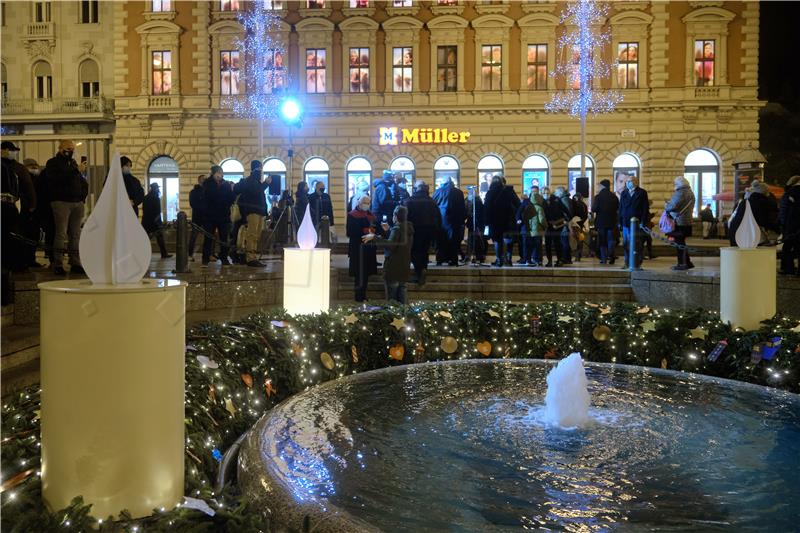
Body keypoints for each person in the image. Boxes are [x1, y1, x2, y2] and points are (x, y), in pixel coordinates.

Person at [45, 140, 87, 275]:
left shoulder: (73, 163)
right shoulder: (53, 163)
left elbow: (80, 181)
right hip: (61, 201)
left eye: (72, 148)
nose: (71, 151)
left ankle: (75, 262)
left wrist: (82, 197)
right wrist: (76, 170)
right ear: (60, 148)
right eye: (68, 148)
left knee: (75, 234)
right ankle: (57, 263)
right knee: (61, 233)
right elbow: (57, 179)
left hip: (76, 202)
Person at [363, 205, 414, 304]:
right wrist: (389, 230)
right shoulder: (408, 228)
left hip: (393, 267)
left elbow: (391, 245)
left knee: (392, 299)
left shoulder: (398, 228)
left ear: (395, 216)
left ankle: (393, 317)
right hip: (404, 267)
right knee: (402, 296)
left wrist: (374, 237)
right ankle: (404, 316)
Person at [2, 142, 36, 270]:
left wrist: (32, 204)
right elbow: (28, 187)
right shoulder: (17, 168)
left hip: (15, 206)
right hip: (13, 205)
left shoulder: (17, 168)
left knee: (15, 235)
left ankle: (15, 262)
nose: (13, 153)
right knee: (14, 234)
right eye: (11, 150)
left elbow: (28, 187)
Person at [234, 160, 270, 267]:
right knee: (252, 234)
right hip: (252, 211)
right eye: (259, 169)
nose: (261, 171)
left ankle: (252, 255)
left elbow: (258, 192)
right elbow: (255, 192)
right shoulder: (250, 180)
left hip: (258, 211)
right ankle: (250, 258)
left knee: (256, 235)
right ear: (255, 169)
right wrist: (265, 184)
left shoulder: (255, 181)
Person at [405, 180, 441, 284]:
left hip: (414, 230)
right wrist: (436, 232)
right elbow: (437, 217)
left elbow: (405, 216)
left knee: (415, 251)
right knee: (424, 251)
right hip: (429, 230)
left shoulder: (409, 200)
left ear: (416, 189)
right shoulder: (431, 201)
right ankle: (423, 268)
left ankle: (418, 272)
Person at [202, 165, 236, 266]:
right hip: (210, 216)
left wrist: (232, 191)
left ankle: (224, 257)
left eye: (221, 173)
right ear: (213, 174)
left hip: (223, 216)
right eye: (218, 173)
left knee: (224, 238)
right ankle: (205, 258)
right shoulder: (207, 183)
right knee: (208, 238)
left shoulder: (225, 184)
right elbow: (208, 197)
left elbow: (231, 198)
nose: (220, 175)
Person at [346, 194, 378, 301]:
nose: (366, 205)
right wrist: (364, 231)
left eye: (368, 203)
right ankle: (358, 296)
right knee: (359, 274)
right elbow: (350, 231)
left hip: (369, 249)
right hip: (357, 248)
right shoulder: (352, 215)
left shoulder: (371, 215)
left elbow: (375, 228)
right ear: (359, 203)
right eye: (364, 203)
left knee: (366, 274)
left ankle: (363, 295)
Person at [485, 175, 519, 266]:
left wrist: (487, 222)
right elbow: (518, 204)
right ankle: (508, 259)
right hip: (509, 220)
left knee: (497, 240)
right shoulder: (509, 191)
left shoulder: (490, 192)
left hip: (495, 221)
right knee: (509, 240)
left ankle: (499, 260)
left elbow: (487, 208)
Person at [432, 177, 466, 266]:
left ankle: (440, 259)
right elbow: (463, 208)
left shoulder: (438, 191)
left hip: (441, 220)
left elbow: (433, 205)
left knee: (440, 240)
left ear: (444, 183)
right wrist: (462, 220)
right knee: (454, 241)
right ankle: (453, 260)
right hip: (455, 220)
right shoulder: (459, 192)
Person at [664, 176, 696, 270]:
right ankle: (688, 262)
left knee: (679, 244)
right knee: (682, 243)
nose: (674, 185)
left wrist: (666, 205)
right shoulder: (690, 192)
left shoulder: (680, 192)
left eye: (675, 183)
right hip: (687, 221)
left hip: (679, 222)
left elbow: (672, 206)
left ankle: (682, 264)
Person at [618, 176, 649, 269]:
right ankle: (627, 262)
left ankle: (637, 263)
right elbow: (621, 208)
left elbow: (645, 208)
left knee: (637, 244)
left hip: (637, 223)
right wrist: (620, 221)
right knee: (626, 244)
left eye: (630, 181)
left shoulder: (642, 193)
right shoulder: (624, 193)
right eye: (627, 181)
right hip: (625, 222)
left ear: (635, 182)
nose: (628, 183)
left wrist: (643, 221)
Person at [141, 183, 172, 259]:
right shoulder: (156, 198)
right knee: (159, 238)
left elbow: (144, 209)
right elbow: (158, 212)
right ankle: (164, 254)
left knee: (146, 238)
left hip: (146, 221)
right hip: (154, 222)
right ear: (156, 189)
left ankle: (142, 253)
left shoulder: (145, 197)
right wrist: (159, 223)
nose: (159, 189)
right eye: (158, 188)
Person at [592, 179, 619, 264]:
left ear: (602, 186)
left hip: (601, 223)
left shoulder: (598, 197)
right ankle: (611, 256)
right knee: (611, 240)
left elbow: (594, 209)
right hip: (612, 222)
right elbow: (618, 208)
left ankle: (604, 259)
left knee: (602, 241)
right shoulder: (614, 197)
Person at [779, 176, 800, 275]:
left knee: (787, 248)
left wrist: (783, 225)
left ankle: (788, 269)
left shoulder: (789, 193)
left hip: (791, 225)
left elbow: (783, 211)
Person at [542, 186, 564, 267]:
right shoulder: (542, 202)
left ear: (550, 193)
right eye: (544, 193)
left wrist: (564, 221)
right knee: (548, 244)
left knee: (557, 243)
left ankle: (559, 260)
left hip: (556, 226)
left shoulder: (556, 200)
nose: (546, 194)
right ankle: (549, 261)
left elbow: (564, 210)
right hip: (548, 226)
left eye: (547, 193)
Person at [465, 186, 486, 264]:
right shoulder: (476, 200)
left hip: (476, 224)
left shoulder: (476, 201)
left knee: (475, 241)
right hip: (474, 224)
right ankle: (476, 256)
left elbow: (476, 214)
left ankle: (477, 256)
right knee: (474, 241)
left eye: (469, 192)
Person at [188, 175, 206, 260]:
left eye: (205, 179)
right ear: (199, 181)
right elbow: (193, 204)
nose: (205, 181)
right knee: (193, 236)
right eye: (203, 179)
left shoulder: (208, 190)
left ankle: (208, 254)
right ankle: (190, 254)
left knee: (209, 236)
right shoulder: (193, 192)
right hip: (197, 217)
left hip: (206, 217)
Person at [553, 187, 573, 265]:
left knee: (564, 241)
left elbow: (567, 212)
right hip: (564, 223)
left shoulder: (564, 199)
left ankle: (565, 258)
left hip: (564, 224)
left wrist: (563, 221)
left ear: (560, 193)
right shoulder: (565, 199)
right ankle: (566, 258)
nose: (555, 194)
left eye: (556, 192)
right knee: (564, 241)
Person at [528, 191, 547, 266]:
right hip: (537, 229)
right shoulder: (539, 208)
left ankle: (533, 258)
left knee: (532, 245)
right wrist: (545, 226)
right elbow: (542, 219)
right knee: (538, 245)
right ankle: (538, 260)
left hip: (530, 230)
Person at [515, 192, 535, 265]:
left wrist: (519, 221)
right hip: (531, 228)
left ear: (522, 199)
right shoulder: (532, 204)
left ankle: (525, 259)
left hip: (524, 228)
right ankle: (529, 259)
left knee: (525, 244)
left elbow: (517, 214)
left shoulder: (523, 204)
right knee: (530, 244)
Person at [571, 193, 588, 262]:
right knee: (580, 240)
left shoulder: (574, 204)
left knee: (574, 241)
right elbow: (585, 215)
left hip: (574, 224)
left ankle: (576, 256)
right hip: (580, 224)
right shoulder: (584, 205)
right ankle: (578, 256)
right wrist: (582, 223)